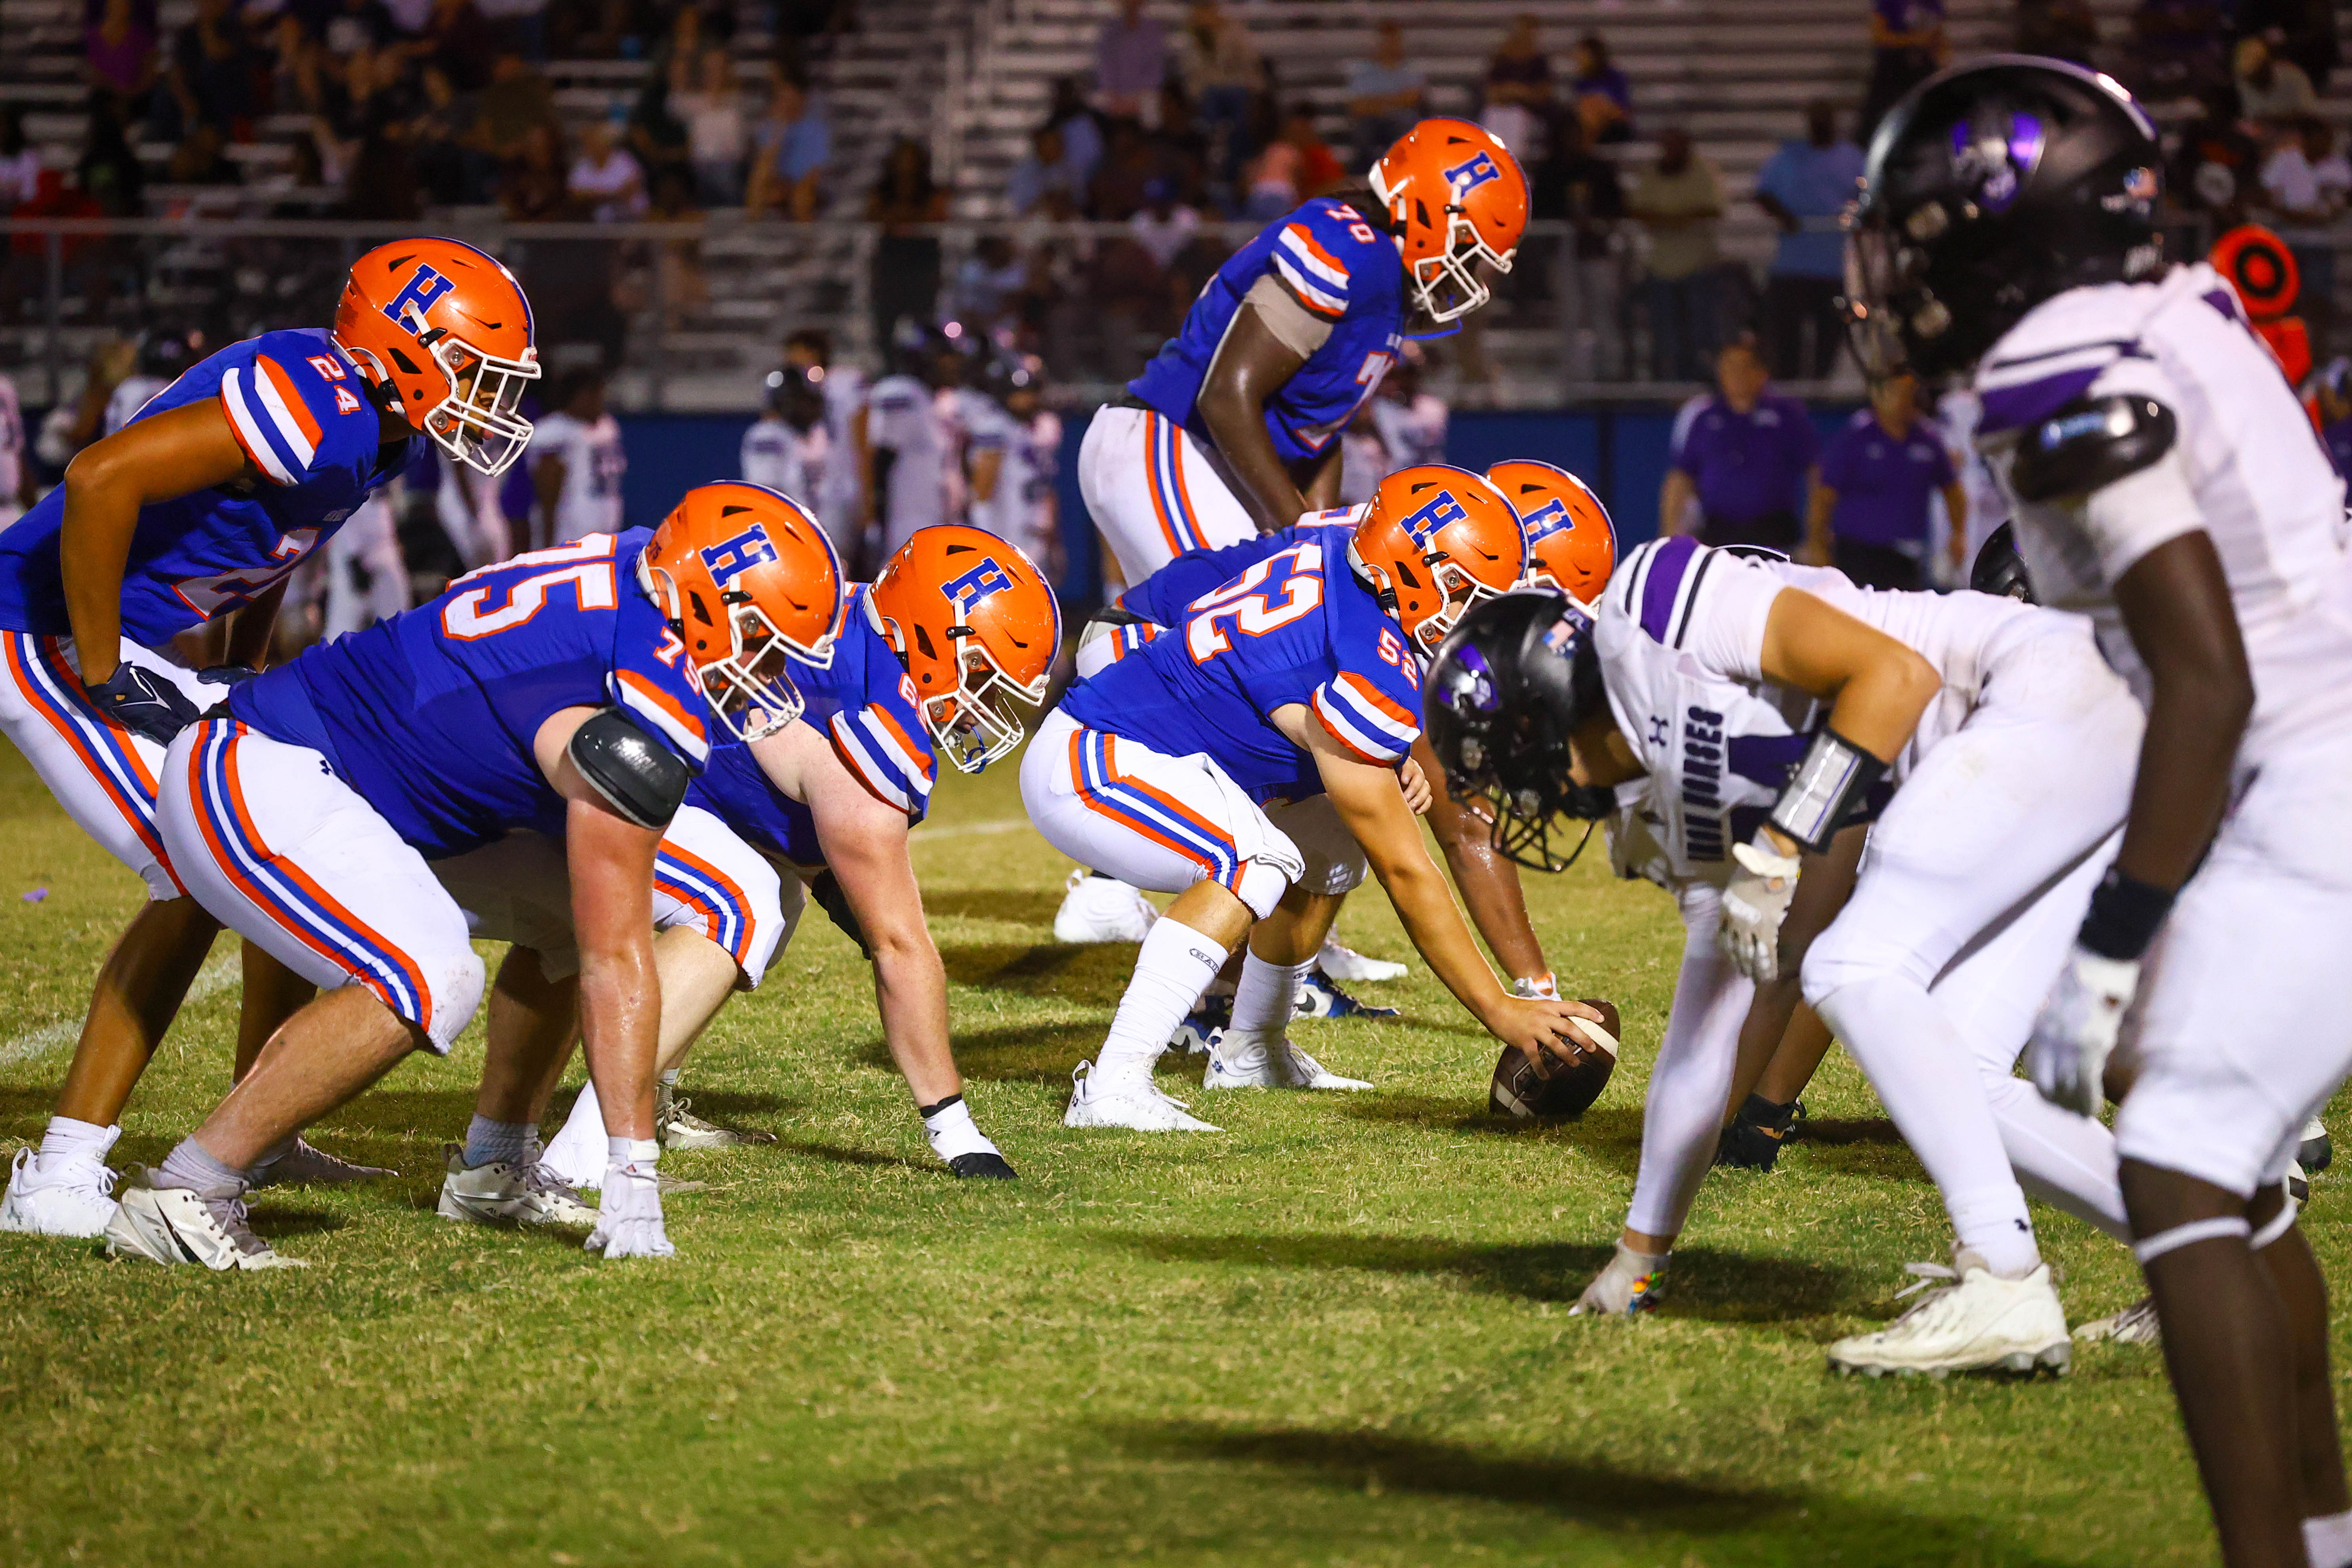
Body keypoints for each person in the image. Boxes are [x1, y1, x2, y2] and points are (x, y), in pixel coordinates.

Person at [1849, 58, 2352, 1564]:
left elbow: (2200, 672)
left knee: (2178, 1161)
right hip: (2302, 760)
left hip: (2307, 777)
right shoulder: (2168, 310)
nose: (1906, 271)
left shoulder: (2059, 364)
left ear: (2006, 229)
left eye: (1922, 234)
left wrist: (2114, 936)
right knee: (2226, 1174)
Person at [1428, 532, 2148, 1372]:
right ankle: (2208, 1244)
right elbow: (1703, 1042)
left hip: (2041, 684)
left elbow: (1896, 677)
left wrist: (1776, 845)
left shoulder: (1651, 608)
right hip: (2051, 735)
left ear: (1539, 712)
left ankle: (2002, 1275)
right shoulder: (1656, 815)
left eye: (1502, 763)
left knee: (1852, 964)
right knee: (1959, 1063)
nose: (1516, 793)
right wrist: (1638, 1257)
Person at [102, 484, 845, 1268]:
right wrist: (631, 1168)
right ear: (702, 603)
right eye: (763, 643)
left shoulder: (640, 566)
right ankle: (186, 1191)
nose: (773, 671)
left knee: (560, 923)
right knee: (430, 976)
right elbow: (617, 951)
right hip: (266, 764)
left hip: (363, 783)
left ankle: (495, 1167)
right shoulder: (647, 675)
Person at [0, 240, 537, 1239]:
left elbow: (282, 540)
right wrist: (103, 664)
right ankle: (58, 1172)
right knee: (192, 863)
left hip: (118, 638)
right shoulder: (317, 395)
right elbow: (100, 475)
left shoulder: (377, 428)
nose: (488, 398)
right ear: (404, 346)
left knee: (264, 811)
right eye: (473, 370)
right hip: (35, 628)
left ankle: (265, 1118)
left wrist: (243, 665)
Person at [1059, 118, 1528, 945]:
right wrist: (1301, 542)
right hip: (1171, 441)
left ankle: (1274, 931)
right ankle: (1123, 882)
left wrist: (1317, 529)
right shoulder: (1348, 245)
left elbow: (1315, 431)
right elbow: (1227, 394)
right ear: (1428, 213)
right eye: (1473, 248)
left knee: (1253, 666)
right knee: (1229, 657)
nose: (1476, 274)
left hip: (1201, 456)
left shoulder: (1385, 289)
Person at [1029, 466, 1596, 1131]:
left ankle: (1253, 1049)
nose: (1479, 619)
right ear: (1412, 573)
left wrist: (1374, 750)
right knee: (1251, 861)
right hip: (1097, 755)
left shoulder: (1343, 562)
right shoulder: (1374, 655)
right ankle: (1113, 1083)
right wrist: (1499, 1007)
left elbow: (1291, 685)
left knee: (1328, 836)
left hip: (1153, 747)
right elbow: (1407, 870)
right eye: (1466, 595)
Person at [506, 525, 1054, 1186]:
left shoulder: (835, 606)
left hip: (602, 744)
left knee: (776, 889)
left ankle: (644, 1100)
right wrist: (955, 1129)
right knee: (742, 904)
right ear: (933, 636)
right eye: (981, 678)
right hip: (591, 769)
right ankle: (585, 1155)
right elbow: (899, 947)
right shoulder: (875, 718)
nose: (982, 706)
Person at [1806, 372, 1965, 590]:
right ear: (1879, 396)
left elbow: (1953, 491)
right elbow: (1824, 496)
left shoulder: (1928, 440)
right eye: (1897, 392)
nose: (1904, 400)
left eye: (1910, 392)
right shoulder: (1856, 436)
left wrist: (1958, 534)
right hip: (1858, 554)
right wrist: (1817, 545)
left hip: (1907, 557)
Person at [1660, 338, 1818, 551]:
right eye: (1729, 368)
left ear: (1762, 373)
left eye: (1745, 367)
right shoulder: (1704, 418)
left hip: (1775, 532)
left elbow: (1816, 474)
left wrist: (1816, 535)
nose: (1737, 375)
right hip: (1719, 532)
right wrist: (1669, 537)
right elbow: (1681, 479)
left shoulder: (1787, 415)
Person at [1754, 102, 1866, 382]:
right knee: (1786, 338)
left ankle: (1820, 387)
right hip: (1791, 267)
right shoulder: (1789, 157)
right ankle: (1788, 387)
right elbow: (1763, 193)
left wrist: (1856, 214)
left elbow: (1868, 193)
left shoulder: (1852, 158)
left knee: (1830, 335)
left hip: (1834, 268)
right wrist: (1785, 216)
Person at [1627, 130, 1725, 382]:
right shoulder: (1651, 173)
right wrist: (1672, 220)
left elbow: (1714, 209)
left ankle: (1699, 386)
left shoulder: (1703, 171)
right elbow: (1637, 210)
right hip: (1660, 266)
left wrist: (1678, 219)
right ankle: (1666, 387)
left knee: (1700, 332)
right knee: (1664, 333)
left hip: (1698, 265)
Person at [858, 322, 955, 565]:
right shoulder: (901, 393)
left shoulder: (928, 398)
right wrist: (873, 519)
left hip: (931, 520)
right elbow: (879, 461)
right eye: (942, 357)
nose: (949, 365)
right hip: (904, 523)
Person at [782, 327, 868, 560]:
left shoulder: (846, 382)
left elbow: (862, 441)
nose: (790, 361)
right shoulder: (796, 391)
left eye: (796, 353)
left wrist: (867, 496)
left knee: (839, 560)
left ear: (814, 353)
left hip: (844, 486)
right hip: (813, 489)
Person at [528, 371, 626, 550]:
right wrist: (547, 545)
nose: (601, 402)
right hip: (570, 534)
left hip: (606, 526)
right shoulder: (553, 431)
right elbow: (548, 496)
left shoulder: (607, 426)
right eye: (595, 396)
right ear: (579, 397)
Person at [1345, 21, 1426, 174]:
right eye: (1386, 41)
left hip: (1401, 120)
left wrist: (1376, 102)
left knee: (1407, 127)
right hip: (1372, 120)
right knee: (1363, 131)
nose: (1390, 46)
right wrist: (1395, 100)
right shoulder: (1363, 71)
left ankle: (1405, 171)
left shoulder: (1411, 69)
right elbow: (1357, 106)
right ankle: (1366, 174)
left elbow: (1412, 99)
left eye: (1394, 41)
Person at [746, 72, 828, 221]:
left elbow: (816, 171)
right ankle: (752, 227)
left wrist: (793, 186)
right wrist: (779, 130)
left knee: (802, 194)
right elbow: (765, 163)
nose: (787, 103)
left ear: (801, 99)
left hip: (804, 183)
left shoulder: (816, 129)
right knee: (759, 179)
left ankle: (805, 234)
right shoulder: (771, 128)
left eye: (791, 98)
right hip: (778, 182)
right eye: (783, 98)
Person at [1860, 0, 1947, 139]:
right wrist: (1910, 41)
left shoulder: (1930, 3)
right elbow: (1880, 35)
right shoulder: (1888, 3)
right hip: (1892, 62)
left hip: (1922, 61)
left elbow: (1937, 34)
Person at [743, 363, 829, 501]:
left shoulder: (813, 434)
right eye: (804, 400)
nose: (811, 407)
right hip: (786, 514)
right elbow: (766, 492)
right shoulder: (767, 434)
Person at [1095, 0, 1166, 125]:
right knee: (1096, 106)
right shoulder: (1110, 30)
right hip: (1115, 94)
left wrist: (1136, 99)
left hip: (1145, 93)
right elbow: (1106, 67)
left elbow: (1155, 70)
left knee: (1152, 110)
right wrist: (1114, 96)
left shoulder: (1152, 30)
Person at [2234, 34, 2317, 126]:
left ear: (2267, 66)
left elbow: (2310, 113)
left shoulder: (2292, 76)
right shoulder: (2243, 84)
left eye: (2257, 74)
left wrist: (2278, 120)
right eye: (2251, 78)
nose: (2255, 80)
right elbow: (2252, 117)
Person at [1568, 33, 1632, 145]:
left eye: (1582, 55)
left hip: (1614, 128)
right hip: (1589, 128)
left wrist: (1600, 105)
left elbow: (1622, 113)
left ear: (1593, 56)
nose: (1577, 59)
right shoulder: (1581, 83)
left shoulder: (1615, 78)